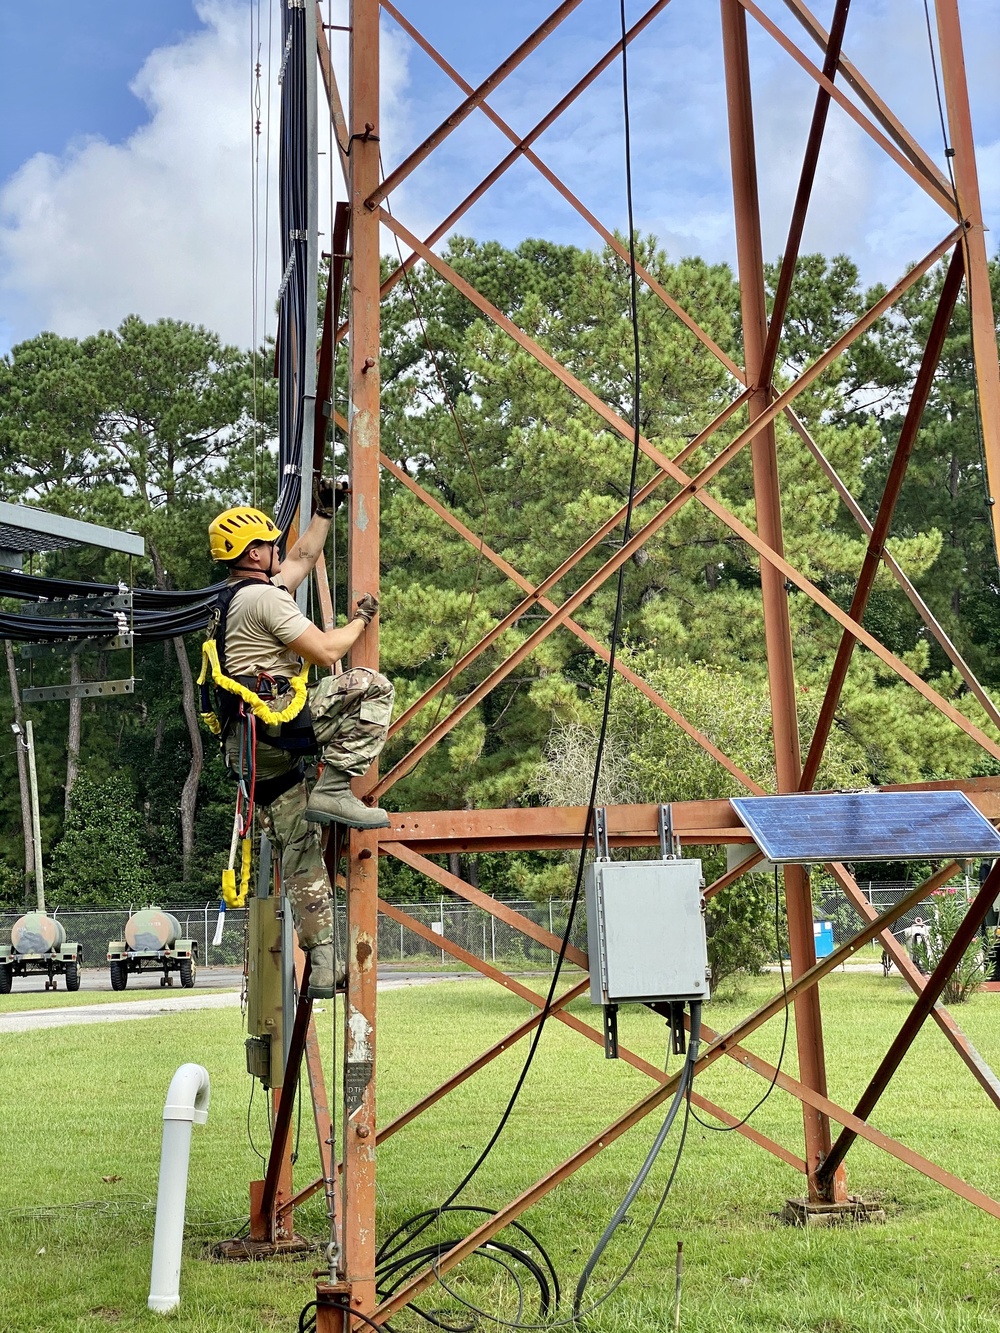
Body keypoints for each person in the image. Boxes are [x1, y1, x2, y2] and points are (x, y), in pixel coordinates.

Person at [206, 480, 394, 998]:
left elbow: (304, 556)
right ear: (252, 553)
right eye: (268, 544)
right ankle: (335, 788)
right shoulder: (265, 600)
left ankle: (326, 964)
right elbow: (327, 650)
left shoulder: (232, 599)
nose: (277, 551)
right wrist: (360, 620)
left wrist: (324, 512)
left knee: (301, 855)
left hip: (252, 757)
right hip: (278, 726)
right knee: (371, 688)